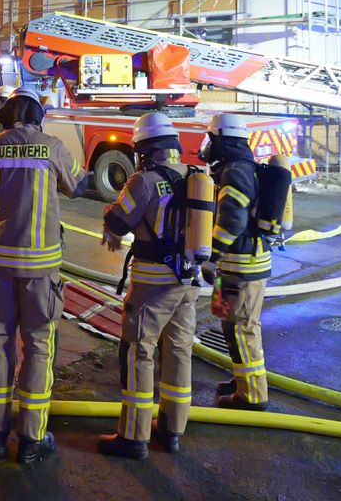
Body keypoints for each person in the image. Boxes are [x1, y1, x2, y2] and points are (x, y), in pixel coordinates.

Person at [0, 86, 89, 464]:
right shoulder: (51, 146)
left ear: (6, 114)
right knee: (38, 346)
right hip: (40, 271)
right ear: (37, 116)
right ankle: (32, 440)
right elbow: (78, 186)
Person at [97, 113, 207, 459]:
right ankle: (171, 430)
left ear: (144, 149)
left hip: (152, 286)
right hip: (188, 282)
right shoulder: (196, 176)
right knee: (178, 351)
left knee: (138, 352)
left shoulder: (144, 181)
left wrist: (108, 217)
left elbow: (118, 221)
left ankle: (134, 437)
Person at [199, 112, 291, 411]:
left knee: (242, 329)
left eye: (210, 139)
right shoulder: (237, 167)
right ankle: (242, 381)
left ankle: (252, 396)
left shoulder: (235, 171)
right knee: (231, 326)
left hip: (242, 265)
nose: (207, 146)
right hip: (235, 265)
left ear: (220, 140)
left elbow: (232, 221)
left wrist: (212, 255)